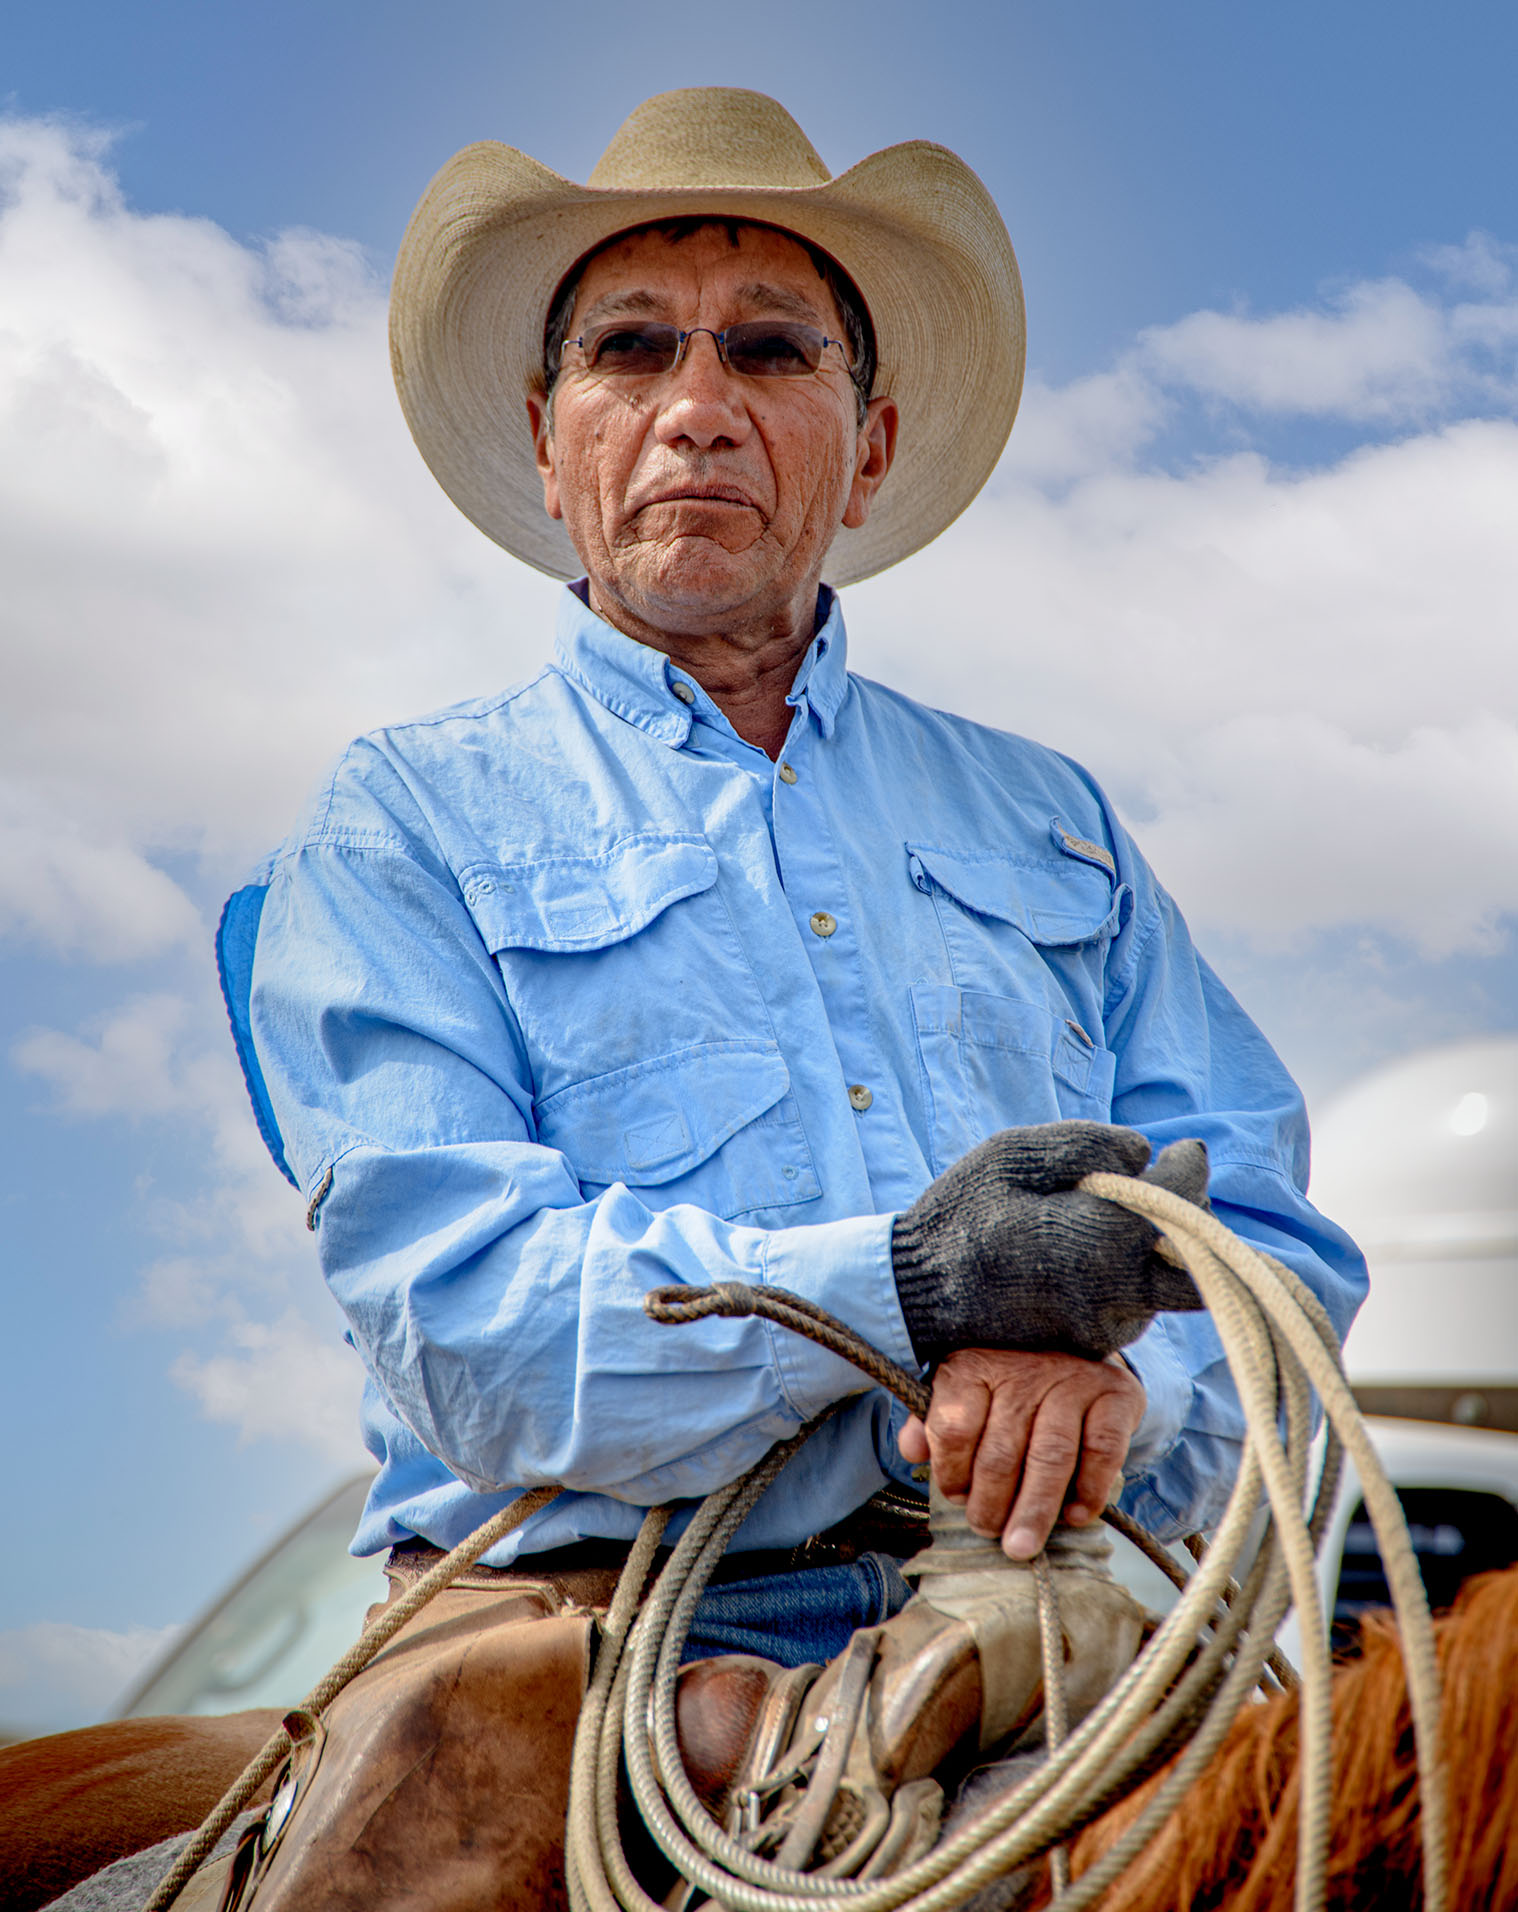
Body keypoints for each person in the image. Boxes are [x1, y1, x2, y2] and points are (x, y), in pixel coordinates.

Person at [218, 86, 1367, 1668]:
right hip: (598, 1636)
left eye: (768, 351)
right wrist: (914, 1292)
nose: (696, 405)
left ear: (869, 447)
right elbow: (460, 1321)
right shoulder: (404, 818)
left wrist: (1108, 1382)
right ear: (550, 443)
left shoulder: (1054, 819)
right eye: (629, 351)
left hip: (1064, 1600)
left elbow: (1271, 1245)